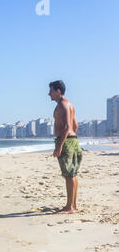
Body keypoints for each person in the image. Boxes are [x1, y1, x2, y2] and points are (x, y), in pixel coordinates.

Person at [49, 80, 82, 214]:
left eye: (50, 91)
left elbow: (68, 127)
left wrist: (59, 146)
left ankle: (69, 207)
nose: (48, 94)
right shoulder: (70, 105)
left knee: (69, 175)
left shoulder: (62, 105)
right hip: (73, 141)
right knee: (72, 174)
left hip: (67, 142)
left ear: (58, 91)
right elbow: (75, 126)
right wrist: (72, 140)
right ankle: (73, 205)